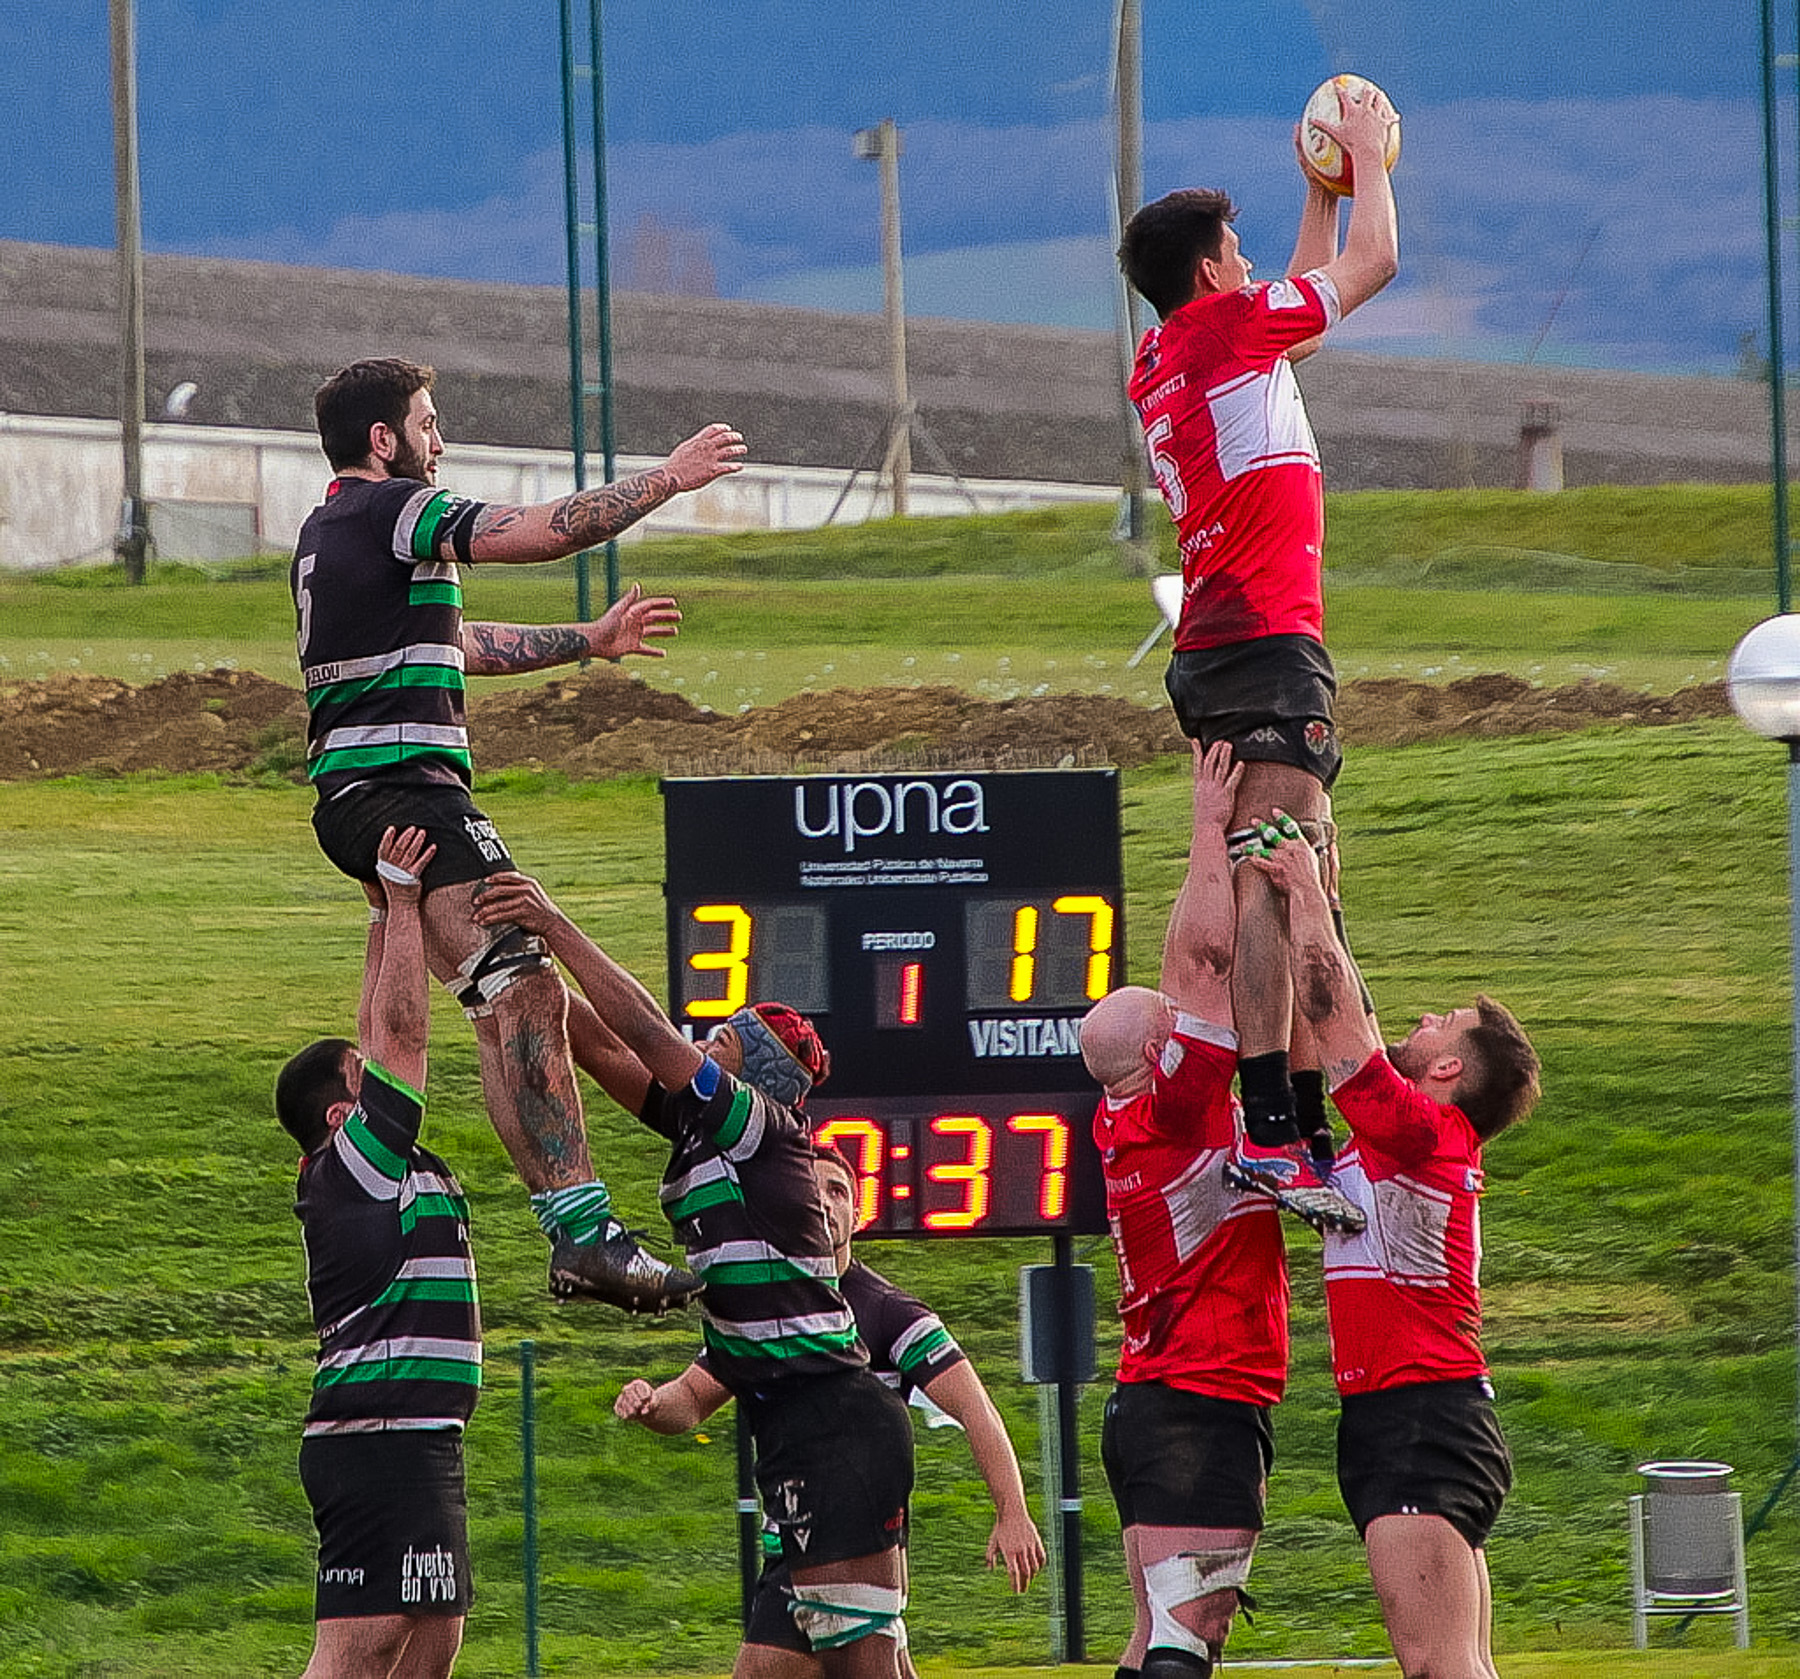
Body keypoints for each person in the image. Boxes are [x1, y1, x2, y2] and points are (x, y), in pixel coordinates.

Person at [291, 355, 745, 1312]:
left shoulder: (331, 534)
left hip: (362, 800)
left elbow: (457, 643)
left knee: (505, 998)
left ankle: (577, 1230)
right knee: (530, 983)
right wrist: (669, 476)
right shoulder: (396, 510)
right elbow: (540, 533)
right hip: (408, 795)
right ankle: (582, 1235)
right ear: (385, 439)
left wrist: (589, 639)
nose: (438, 440)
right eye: (427, 421)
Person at [468, 870, 917, 1677]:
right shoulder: (698, 1130)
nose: (700, 1042)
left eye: (722, 1042)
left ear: (755, 1076)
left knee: (865, 1667)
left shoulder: (763, 1128)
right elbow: (590, 1039)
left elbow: (639, 1027)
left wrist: (556, 923)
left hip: (838, 1424)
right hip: (789, 1428)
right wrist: (493, 974)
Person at [1116, 82, 1401, 1200]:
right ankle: (1276, 1126)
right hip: (1267, 638)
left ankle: (1293, 1125)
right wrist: (1369, 161)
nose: (1249, 266)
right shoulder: (1234, 331)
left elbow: (1301, 315)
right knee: (1283, 879)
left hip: (1216, 647)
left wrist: (1313, 189)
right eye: (1235, 252)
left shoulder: (1175, 355)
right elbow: (1371, 268)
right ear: (1209, 274)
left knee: (1281, 871)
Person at [1246, 816, 1541, 1679]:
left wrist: (1303, 885)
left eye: (1441, 1024)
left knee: (1436, 1664)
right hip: (1415, 1415)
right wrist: (1322, 900)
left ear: (1448, 1072)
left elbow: (1336, 1013)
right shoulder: (1411, 1142)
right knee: (1455, 1661)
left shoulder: (1423, 1134)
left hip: (1421, 1416)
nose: (1420, 1018)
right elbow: (1349, 1009)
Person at [615, 1140, 1045, 1679]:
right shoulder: (761, 1312)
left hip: (857, 1545)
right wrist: (652, 1404)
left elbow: (975, 1408)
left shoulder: (889, 1312)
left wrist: (1012, 1511)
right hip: (789, 1545)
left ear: (858, 1215)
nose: (823, 1202)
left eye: (838, 1191)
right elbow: (693, 1400)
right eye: (809, 1189)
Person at [1078, 741, 1293, 1679]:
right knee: (1187, 1631)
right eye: (1169, 1025)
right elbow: (1202, 965)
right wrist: (1209, 829)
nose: (1186, 1020)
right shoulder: (1176, 1103)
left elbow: (1186, 993)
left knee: (1152, 1631)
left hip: (1151, 1397)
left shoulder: (1120, 1116)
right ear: (1160, 1050)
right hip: (1201, 1392)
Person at [275, 824, 478, 1679]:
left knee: (434, 1635)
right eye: (360, 1078)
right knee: (362, 1645)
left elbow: (372, 1023)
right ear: (337, 1115)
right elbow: (399, 1036)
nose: (377, 1076)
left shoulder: (365, 1161)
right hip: (377, 1435)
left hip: (420, 1436)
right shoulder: (351, 1165)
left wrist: (378, 913)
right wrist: (403, 898)